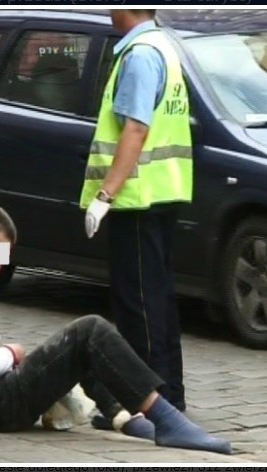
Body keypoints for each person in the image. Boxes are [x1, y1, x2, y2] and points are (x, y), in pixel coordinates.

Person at [0, 204, 231, 455]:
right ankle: (165, 419)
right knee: (90, 330)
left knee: (76, 346)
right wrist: (11, 352)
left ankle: (124, 416)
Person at [80, 9, 192, 415]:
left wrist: (105, 195)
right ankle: (169, 395)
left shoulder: (141, 54)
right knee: (158, 299)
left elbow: (136, 128)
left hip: (137, 196)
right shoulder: (163, 45)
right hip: (163, 190)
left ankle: (147, 402)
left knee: (138, 303)